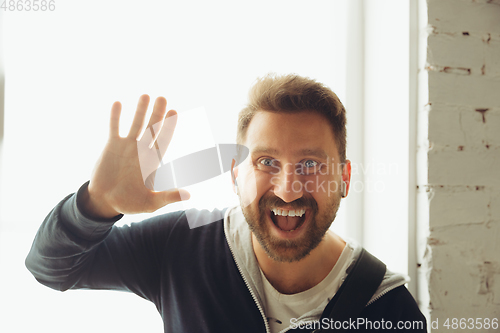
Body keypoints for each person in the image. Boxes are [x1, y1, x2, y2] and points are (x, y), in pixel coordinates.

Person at [26, 74, 426, 332]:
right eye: (267, 162)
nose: (288, 189)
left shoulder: (389, 310)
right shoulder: (180, 245)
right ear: (236, 175)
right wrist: (96, 204)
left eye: (309, 164)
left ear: (344, 178)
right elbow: (51, 268)